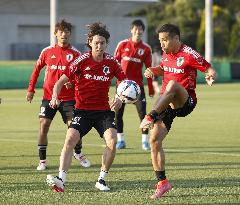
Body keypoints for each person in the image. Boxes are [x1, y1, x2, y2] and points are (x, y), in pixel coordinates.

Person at [46, 22, 126, 192]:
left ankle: (101, 180)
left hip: (103, 112)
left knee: (112, 140)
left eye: (102, 43)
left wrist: (120, 97)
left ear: (106, 44)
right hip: (82, 111)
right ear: (90, 42)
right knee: (70, 139)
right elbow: (60, 81)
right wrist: (55, 96)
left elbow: (123, 81)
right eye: (96, 43)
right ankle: (61, 179)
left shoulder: (112, 62)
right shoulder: (81, 60)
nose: (99, 46)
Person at [139, 24, 217, 199]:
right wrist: (153, 70)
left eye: (165, 40)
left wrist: (211, 76)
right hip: (167, 105)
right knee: (154, 140)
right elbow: (164, 68)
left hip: (185, 101)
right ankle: (162, 182)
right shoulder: (167, 54)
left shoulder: (189, 53)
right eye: (160, 41)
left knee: (173, 85)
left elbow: (208, 67)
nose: (162, 44)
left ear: (176, 38)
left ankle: (150, 116)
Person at [26, 19, 90, 171]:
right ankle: (42, 161)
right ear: (56, 34)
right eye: (61, 32)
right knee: (44, 124)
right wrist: (31, 89)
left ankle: (78, 153)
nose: (64, 35)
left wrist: (73, 83)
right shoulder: (47, 51)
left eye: (67, 32)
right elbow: (36, 70)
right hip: (49, 97)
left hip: (69, 99)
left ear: (70, 34)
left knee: (74, 127)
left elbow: (81, 75)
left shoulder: (76, 54)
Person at [114, 19, 154, 151]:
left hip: (137, 88)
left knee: (143, 115)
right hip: (121, 87)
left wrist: (151, 88)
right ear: (131, 30)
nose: (138, 31)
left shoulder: (146, 49)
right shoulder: (122, 44)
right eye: (135, 29)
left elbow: (149, 69)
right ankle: (121, 141)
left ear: (143, 31)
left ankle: (145, 142)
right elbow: (114, 63)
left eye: (140, 29)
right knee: (118, 114)